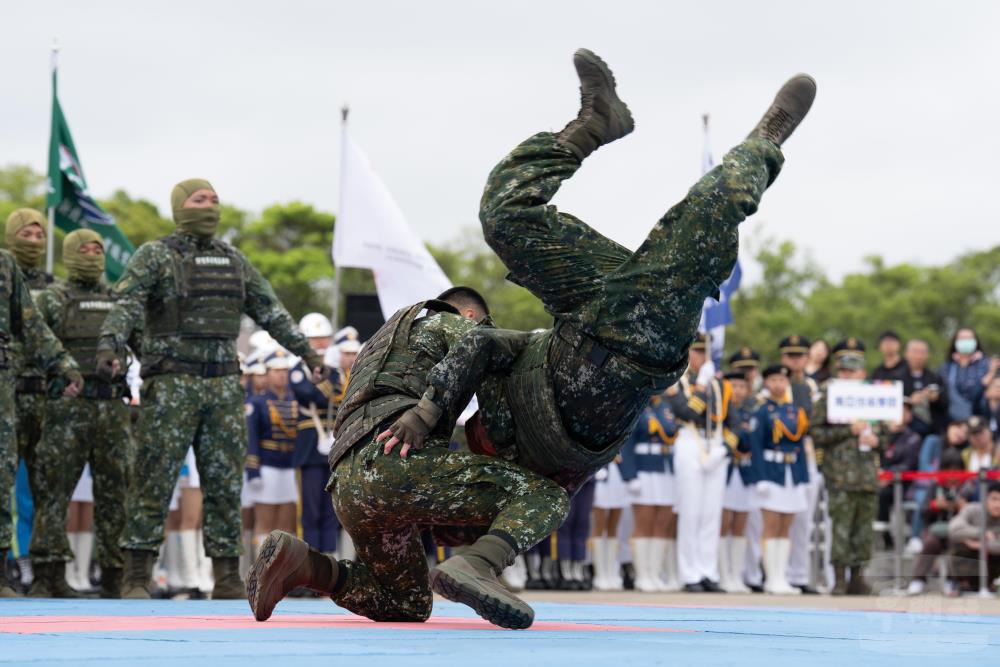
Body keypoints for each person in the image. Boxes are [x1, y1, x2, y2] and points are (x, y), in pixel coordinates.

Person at [250, 49, 815, 626]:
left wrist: (428, 412)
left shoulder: (485, 350)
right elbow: (477, 353)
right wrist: (429, 413)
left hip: (596, 328)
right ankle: (751, 143)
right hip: (618, 342)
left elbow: (476, 351)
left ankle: (630, 128)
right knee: (686, 217)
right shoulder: (484, 365)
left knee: (511, 215)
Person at [249, 288, 568, 630]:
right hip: (396, 463)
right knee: (547, 496)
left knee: (406, 603)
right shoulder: (451, 324)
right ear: (470, 317)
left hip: (348, 486)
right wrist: (426, 414)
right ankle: (479, 563)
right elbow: (486, 345)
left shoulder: (377, 347)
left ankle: (307, 567)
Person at [95, 178, 325, 599]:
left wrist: (308, 354)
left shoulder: (234, 260)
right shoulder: (156, 255)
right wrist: (110, 345)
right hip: (171, 383)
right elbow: (125, 305)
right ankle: (135, 576)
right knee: (154, 476)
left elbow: (271, 312)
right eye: (200, 199)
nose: (210, 206)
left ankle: (227, 577)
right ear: (180, 206)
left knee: (223, 482)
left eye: (215, 200)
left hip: (221, 383)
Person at [28, 230, 136, 598]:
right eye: (84, 250)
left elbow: (142, 342)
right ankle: (48, 575)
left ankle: (114, 576)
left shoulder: (117, 301)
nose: (92, 255)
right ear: (70, 254)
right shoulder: (53, 300)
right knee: (53, 492)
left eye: (98, 249)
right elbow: (35, 344)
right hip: (66, 410)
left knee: (116, 494)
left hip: (111, 409)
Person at [0, 247, 82, 597]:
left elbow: (30, 323)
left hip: (4, 382)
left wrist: (63, 364)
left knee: (2, 475)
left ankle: (2, 574)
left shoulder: (4, 264)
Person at [5, 209, 57, 583]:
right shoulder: (6, 274)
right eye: (27, 233)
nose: (35, 240)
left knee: (36, 491)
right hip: (8, 393)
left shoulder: (56, 286)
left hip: (42, 396)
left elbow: (48, 335)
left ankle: (35, 566)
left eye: (41, 234)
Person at [811, 338, 883, 595]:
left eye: (852, 371)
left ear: (862, 373)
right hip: (839, 474)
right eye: (843, 370)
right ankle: (839, 578)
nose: (847, 375)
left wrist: (877, 440)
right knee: (840, 528)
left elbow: (885, 434)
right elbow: (816, 433)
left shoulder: (873, 396)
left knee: (863, 531)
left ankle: (858, 576)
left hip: (866, 474)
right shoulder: (829, 395)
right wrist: (846, 431)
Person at [669, 342, 732, 592]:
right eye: (697, 351)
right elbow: (688, 413)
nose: (702, 357)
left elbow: (735, 420)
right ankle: (689, 573)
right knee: (691, 511)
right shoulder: (678, 382)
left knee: (711, 513)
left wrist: (724, 449)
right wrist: (703, 387)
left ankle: (708, 569)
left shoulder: (719, 384)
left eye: (706, 352)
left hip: (714, 445)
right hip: (689, 443)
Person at [747, 365, 809, 594]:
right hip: (771, 472)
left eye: (782, 380)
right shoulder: (762, 411)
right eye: (773, 380)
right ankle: (771, 577)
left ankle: (781, 576)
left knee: (786, 528)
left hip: (791, 473)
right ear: (766, 384)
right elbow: (755, 445)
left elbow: (800, 445)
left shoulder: (795, 410)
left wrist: (804, 476)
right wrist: (761, 477)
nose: (778, 384)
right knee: (771, 527)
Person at [290, 313, 343, 559]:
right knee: (310, 509)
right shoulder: (297, 371)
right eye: (314, 339)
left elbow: (337, 395)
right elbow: (313, 396)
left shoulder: (335, 372)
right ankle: (309, 563)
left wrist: (325, 382)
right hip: (310, 446)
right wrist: (325, 385)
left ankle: (330, 562)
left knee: (331, 508)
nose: (320, 344)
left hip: (333, 445)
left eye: (323, 339)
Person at [618, 392, 680, 592]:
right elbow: (626, 443)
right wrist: (629, 475)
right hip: (643, 470)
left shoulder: (665, 407)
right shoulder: (635, 404)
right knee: (644, 524)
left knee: (662, 524)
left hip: (664, 470)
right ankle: (642, 575)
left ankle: (654, 573)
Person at [247, 349, 300, 549]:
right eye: (276, 371)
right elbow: (251, 438)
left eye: (284, 370)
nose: (281, 374)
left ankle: (283, 572)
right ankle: (261, 571)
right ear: (267, 373)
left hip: (290, 466)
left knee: (286, 524)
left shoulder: (295, 401)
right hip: (267, 466)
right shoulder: (257, 403)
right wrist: (253, 470)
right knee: (265, 523)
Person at [906, 448, 971, 595]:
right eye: (949, 470)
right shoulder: (935, 486)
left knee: (955, 544)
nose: (952, 476)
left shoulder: (968, 487)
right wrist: (935, 505)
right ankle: (918, 580)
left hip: (960, 532)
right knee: (930, 543)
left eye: (956, 471)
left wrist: (961, 506)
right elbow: (922, 512)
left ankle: (952, 580)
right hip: (937, 529)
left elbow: (977, 512)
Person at [719, 370, 754, 593]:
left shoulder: (752, 411)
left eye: (742, 386)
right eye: (734, 386)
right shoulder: (720, 410)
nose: (738, 391)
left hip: (744, 472)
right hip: (724, 470)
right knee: (723, 523)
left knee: (740, 525)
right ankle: (723, 575)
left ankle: (736, 575)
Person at [875, 399, 922, 540]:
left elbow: (909, 464)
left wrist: (888, 475)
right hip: (877, 478)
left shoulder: (913, 438)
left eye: (904, 411)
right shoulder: (879, 436)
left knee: (885, 494)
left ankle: (885, 533)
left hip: (901, 482)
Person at [946, 481, 1000, 592]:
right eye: (994, 499)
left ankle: (989, 584)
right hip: (972, 557)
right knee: (959, 546)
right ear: (985, 499)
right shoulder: (972, 509)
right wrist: (982, 533)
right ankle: (958, 582)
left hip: (993, 562)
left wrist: (980, 545)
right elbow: (953, 530)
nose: (998, 504)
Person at [939, 328, 996, 423]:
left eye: (969, 338)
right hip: (953, 420)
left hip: (983, 418)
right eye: (962, 338)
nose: (966, 341)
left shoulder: (988, 365)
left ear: (976, 341)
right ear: (955, 342)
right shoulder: (947, 367)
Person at [589, 458, 628, 591]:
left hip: (618, 476)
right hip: (602, 476)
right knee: (599, 526)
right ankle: (600, 574)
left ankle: (611, 573)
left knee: (613, 528)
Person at [902, 339, 948, 436]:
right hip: (903, 431)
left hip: (931, 430)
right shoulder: (897, 378)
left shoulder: (935, 377)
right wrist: (909, 401)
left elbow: (946, 403)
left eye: (923, 352)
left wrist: (936, 398)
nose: (919, 356)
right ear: (906, 354)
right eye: (915, 352)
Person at [975, 376, 1000, 444]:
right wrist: (983, 385)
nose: (998, 389)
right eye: (996, 386)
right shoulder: (981, 409)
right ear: (986, 392)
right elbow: (975, 399)